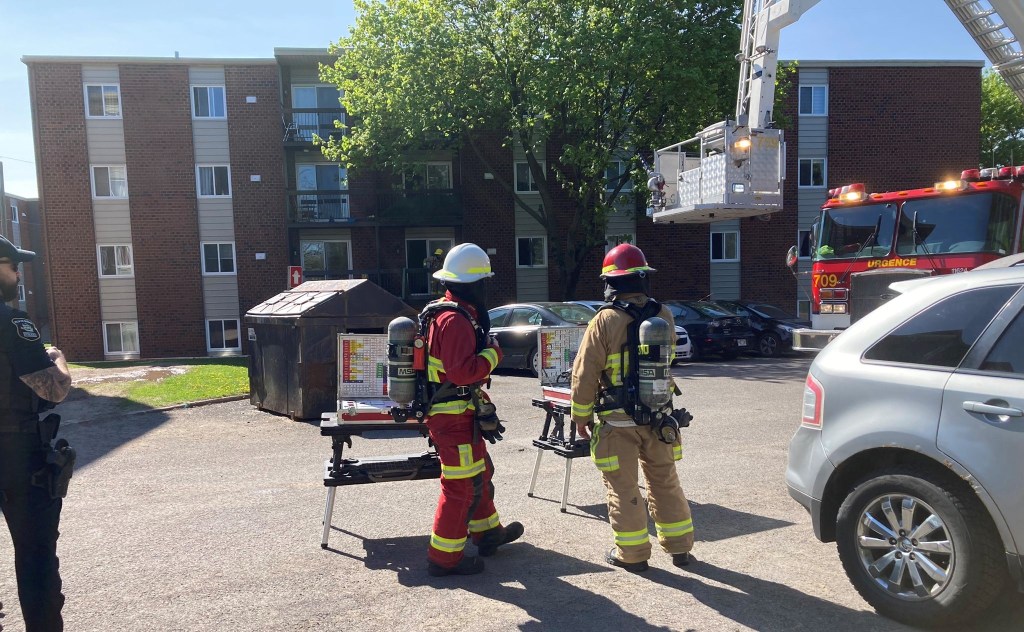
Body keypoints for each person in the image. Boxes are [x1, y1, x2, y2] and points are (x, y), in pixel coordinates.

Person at [570, 243, 694, 573]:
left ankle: (634, 555)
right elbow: (667, 363)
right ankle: (680, 549)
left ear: (611, 281)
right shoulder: (663, 315)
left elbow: (585, 373)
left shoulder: (605, 320)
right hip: (658, 418)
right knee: (665, 481)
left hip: (617, 422)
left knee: (623, 488)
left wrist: (580, 416)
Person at [422, 242, 523, 576]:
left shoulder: (448, 313)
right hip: (452, 419)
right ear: (475, 284)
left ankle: (488, 533)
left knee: (480, 473)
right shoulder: (455, 320)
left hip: (459, 414)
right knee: (460, 487)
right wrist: (494, 354)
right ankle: (444, 559)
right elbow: (463, 372)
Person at [0, 235, 73, 630]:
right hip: (16, 455)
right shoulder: (12, 321)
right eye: (13, 264)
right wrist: (59, 361)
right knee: (36, 557)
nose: (18, 272)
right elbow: (53, 389)